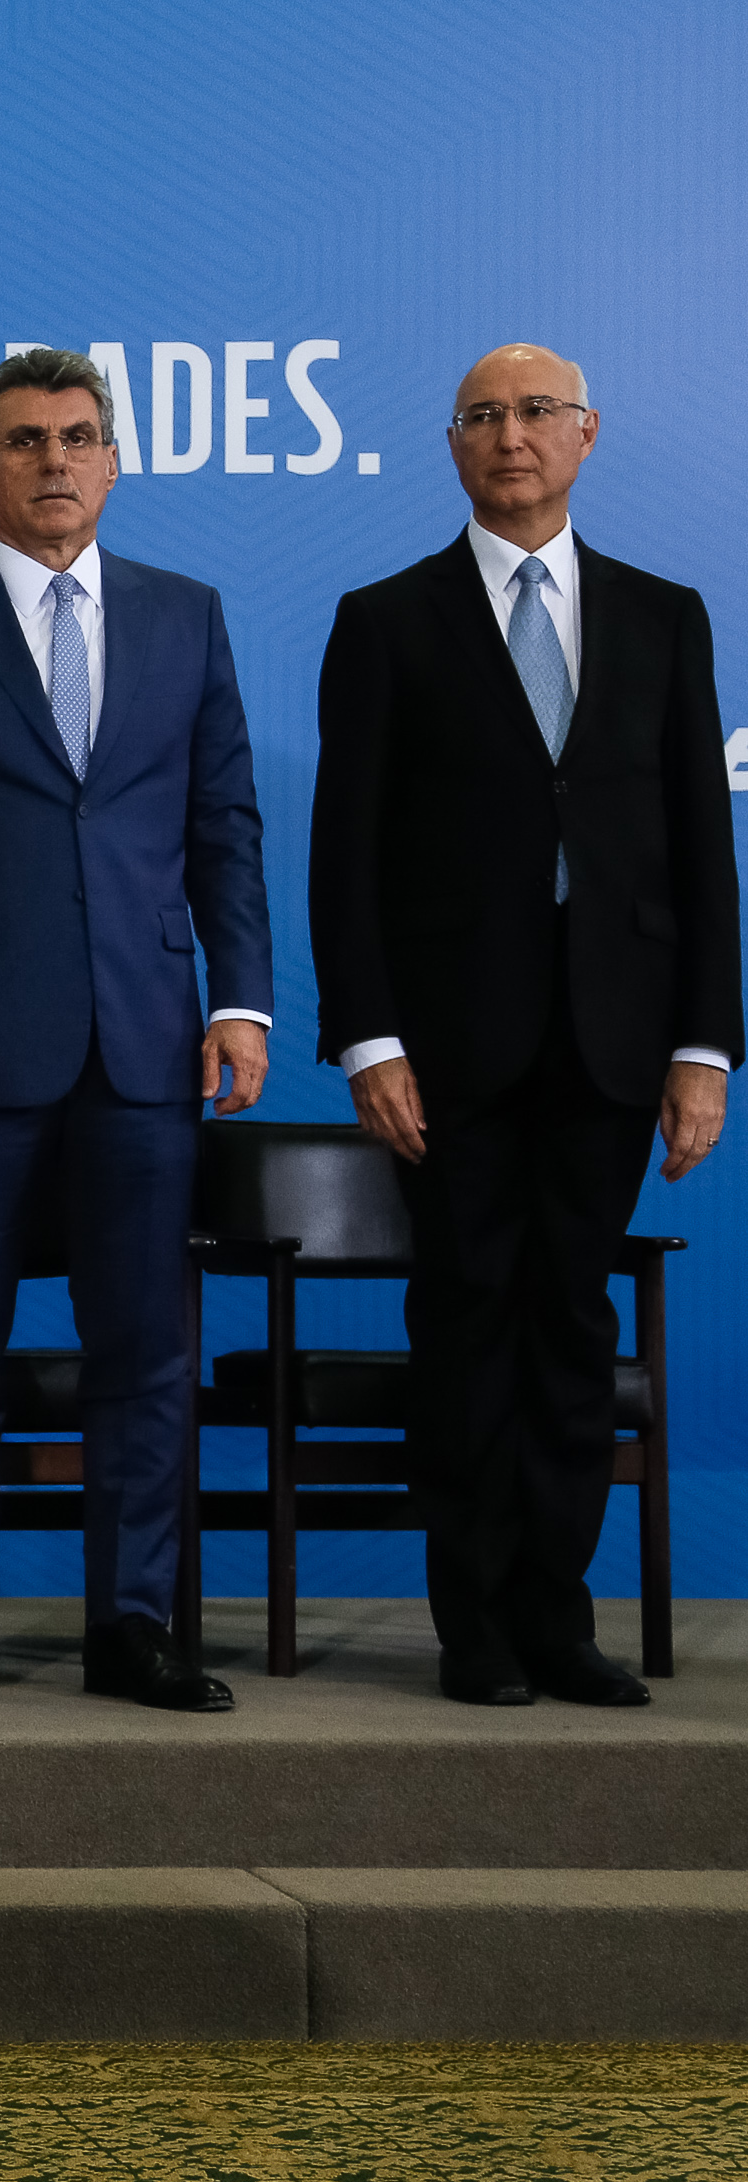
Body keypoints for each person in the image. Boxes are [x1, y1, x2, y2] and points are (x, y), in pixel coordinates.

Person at [0, 346, 270, 1715]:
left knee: (145, 1356)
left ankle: (130, 1624)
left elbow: (222, 826)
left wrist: (242, 998)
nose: (55, 461)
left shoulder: (186, 616)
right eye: (24, 440)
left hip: (145, 1045)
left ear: (112, 459)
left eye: (79, 436)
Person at [309, 343, 738, 1708]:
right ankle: (473, 1627)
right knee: (464, 1319)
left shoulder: (664, 617)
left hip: (615, 1040)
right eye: (482, 417)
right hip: (446, 1049)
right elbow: (343, 853)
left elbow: (695, 846)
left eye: (535, 413)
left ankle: (557, 1614)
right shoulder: (384, 618)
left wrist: (703, 1045)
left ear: (585, 435)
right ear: (451, 446)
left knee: (568, 1323)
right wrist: (367, 1040)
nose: (510, 436)